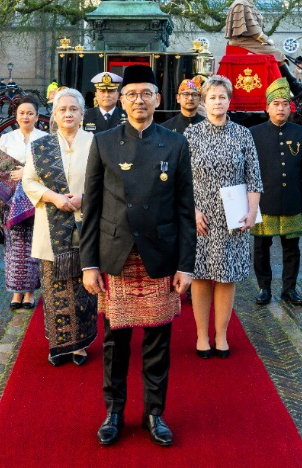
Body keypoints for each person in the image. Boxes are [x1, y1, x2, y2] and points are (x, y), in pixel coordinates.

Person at [80, 64, 195, 448]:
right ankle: (114, 411)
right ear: (121, 100)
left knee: (158, 341)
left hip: (159, 255)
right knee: (114, 341)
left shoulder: (176, 144)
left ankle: (154, 413)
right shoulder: (104, 142)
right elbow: (92, 207)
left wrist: (185, 264)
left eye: (146, 93)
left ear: (158, 99)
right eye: (131, 94)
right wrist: (89, 263)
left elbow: (184, 208)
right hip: (117, 254)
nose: (139, 101)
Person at [184, 75, 261, 359]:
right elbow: (181, 180)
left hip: (233, 217)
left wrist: (252, 212)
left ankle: (222, 336)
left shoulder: (243, 134)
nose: (217, 101)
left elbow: (254, 177)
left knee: (227, 278)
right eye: (212, 97)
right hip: (200, 217)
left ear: (230, 100)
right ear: (204, 102)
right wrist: (191, 211)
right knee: (201, 277)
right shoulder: (191, 135)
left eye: (222, 96)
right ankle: (202, 336)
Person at [22, 89, 97, 366]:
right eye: (62, 109)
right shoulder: (41, 146)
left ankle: (80, 346)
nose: (68, 113)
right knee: (54, 290)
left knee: (83, 290)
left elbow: (105, 182)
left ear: (82, 114)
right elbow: (28, 181)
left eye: (73, 109)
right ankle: (59, 344)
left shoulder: (95, 143)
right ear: (54, 114)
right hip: (49, 228)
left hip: (84, 226)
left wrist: (83, 199)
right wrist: (54, 197)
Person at [250, 78, 302, 306]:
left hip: (292, 201)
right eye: (276, 103)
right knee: (261, 248)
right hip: (263, 202)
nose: (281, 108)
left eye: (285, 104)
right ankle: (264, 288)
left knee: (291, 248)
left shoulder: (300, 132)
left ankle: (289, 289)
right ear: (267, 107)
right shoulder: (254, 133)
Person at [0, 97, 46, 309]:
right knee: (13, 248)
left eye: (30, 113)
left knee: (33, 247)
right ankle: (15, 293)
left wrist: (26, 172)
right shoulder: (6, 140)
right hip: (9, 202)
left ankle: (29, 293)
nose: (26, 117)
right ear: (16, 116)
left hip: (37, 202)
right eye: (22, 113)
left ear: (37, 117)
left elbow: (52, 173)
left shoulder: (46, 139)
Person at [223, 0, 302, 96]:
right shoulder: (241, 3)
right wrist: (265, 39)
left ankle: (292, 85)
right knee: (276, 53)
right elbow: (252, 27)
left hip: (247, 40)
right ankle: (294, 85)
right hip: (243, 42)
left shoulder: (246, 3)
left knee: (276, 52)